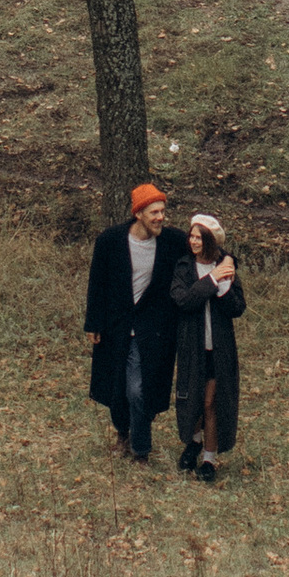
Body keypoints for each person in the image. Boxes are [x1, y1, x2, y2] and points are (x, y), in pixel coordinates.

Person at [83, 180, 196, 468]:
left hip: (153, 330)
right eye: (154, 213)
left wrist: (227, 261)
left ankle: (141, 449)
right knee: (117, 386)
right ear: (139, 214)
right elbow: (97, 284)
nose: (160, 218)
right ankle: (123, 432)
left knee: (138, 388)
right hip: (115, 327)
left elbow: (202, 246)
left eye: (162, 211)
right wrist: (94, 323)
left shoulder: (171, 241)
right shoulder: (110, 241)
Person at [174, 211, 243, 480]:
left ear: (210, 240)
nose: (192, 241)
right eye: (191, 236)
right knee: (193, 397)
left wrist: (225, 287)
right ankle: (194, 442)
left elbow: (238, 308)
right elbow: (183, 300)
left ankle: (209, 458)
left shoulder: (228, 267)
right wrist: (213, 280)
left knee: (210, 401)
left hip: (219, 347)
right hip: (192, 345)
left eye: (198, 237)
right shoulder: (183, 268)